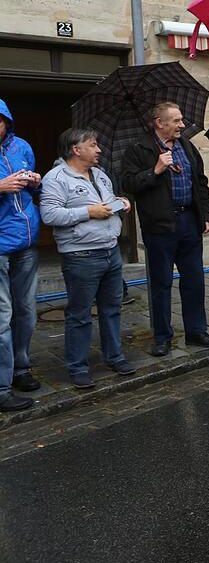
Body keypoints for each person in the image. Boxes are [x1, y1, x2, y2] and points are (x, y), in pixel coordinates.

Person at [40, 128, 136, 388]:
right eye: (93, 145)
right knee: (80, 314)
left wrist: (120, 202)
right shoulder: (55, 178)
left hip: (110, 251)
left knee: (112, 309)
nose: (99, 150)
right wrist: (88, 212)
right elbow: (49, 215)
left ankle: (114, 357)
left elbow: (106, 204)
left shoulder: (101, 175)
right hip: (81, 255)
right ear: (76, 149)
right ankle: (77, 366)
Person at [123, 102, 209, 357]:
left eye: (181, 120)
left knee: (195, 280)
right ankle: (162, 336)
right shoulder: (138, 149)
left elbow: (200, 182)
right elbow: (128, 183)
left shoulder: (187, 146)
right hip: (159, 226)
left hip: (189, 221)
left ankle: (197, 330)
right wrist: (155, 170)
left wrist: (205, 215)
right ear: (159, 123)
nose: (182, 125)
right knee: (161, 283)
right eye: (176, 121)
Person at [0, 99, 42, 412]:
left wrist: (36, 183)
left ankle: (21, 368)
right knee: (2, 317)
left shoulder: (22, 146)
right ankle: (1, 387)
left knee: (26, 310)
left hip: (26, 242)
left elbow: (32, 192)